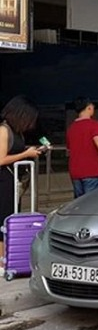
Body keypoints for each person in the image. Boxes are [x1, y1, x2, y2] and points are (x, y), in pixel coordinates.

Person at [0, 95, 42, 277]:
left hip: (14, 180)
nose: (30, 123)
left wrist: (31, 151)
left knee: (12, 216)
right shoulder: (3, 130)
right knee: (3, 219)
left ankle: (9, 258)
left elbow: (16, 151)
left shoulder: (17, 132)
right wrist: (26, 153)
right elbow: (1, 159)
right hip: (3, 181)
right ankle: (1, 261)